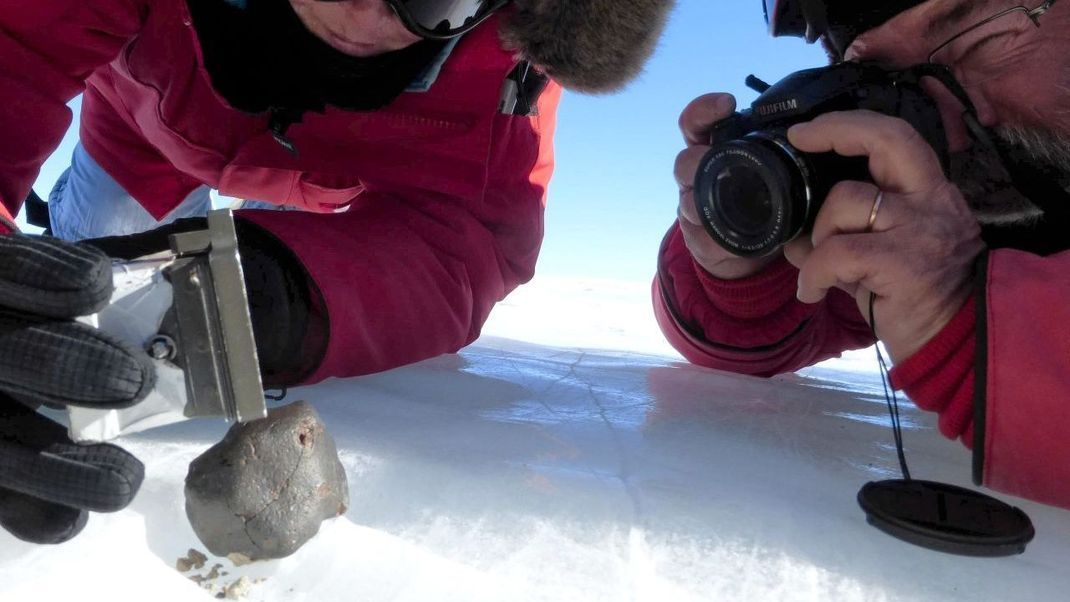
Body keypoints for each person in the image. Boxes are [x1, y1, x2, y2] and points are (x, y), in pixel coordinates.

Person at [0, 0, 674, 543]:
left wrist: (271, 299)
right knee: (83, 263)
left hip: (308, 187)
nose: (366, 15)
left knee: (122, 316)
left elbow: (469, 240)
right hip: (140, 137)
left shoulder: (507, 62)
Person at [656, 0, 1070, 509]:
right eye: (898, 90)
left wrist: (971, 324)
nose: (951, 129)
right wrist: (745, 269)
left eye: (987, 43)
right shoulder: (935, 207)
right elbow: (754, 339)